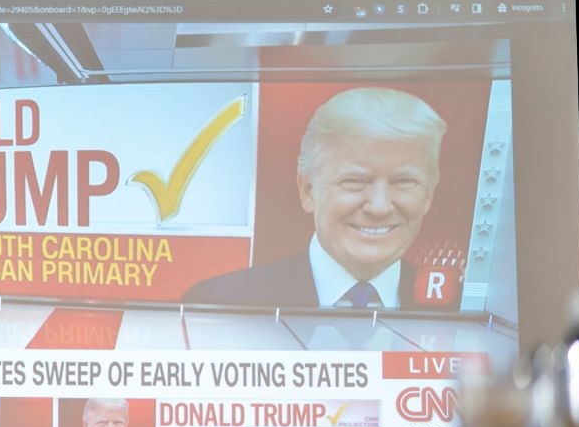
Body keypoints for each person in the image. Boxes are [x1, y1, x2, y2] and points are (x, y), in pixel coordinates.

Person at [184, 87, 448, 310]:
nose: (379, 207)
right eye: (355, 182)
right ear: (308, 190)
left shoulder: (459, 302)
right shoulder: (220, 303)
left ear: (429, 194)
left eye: (404, 182)